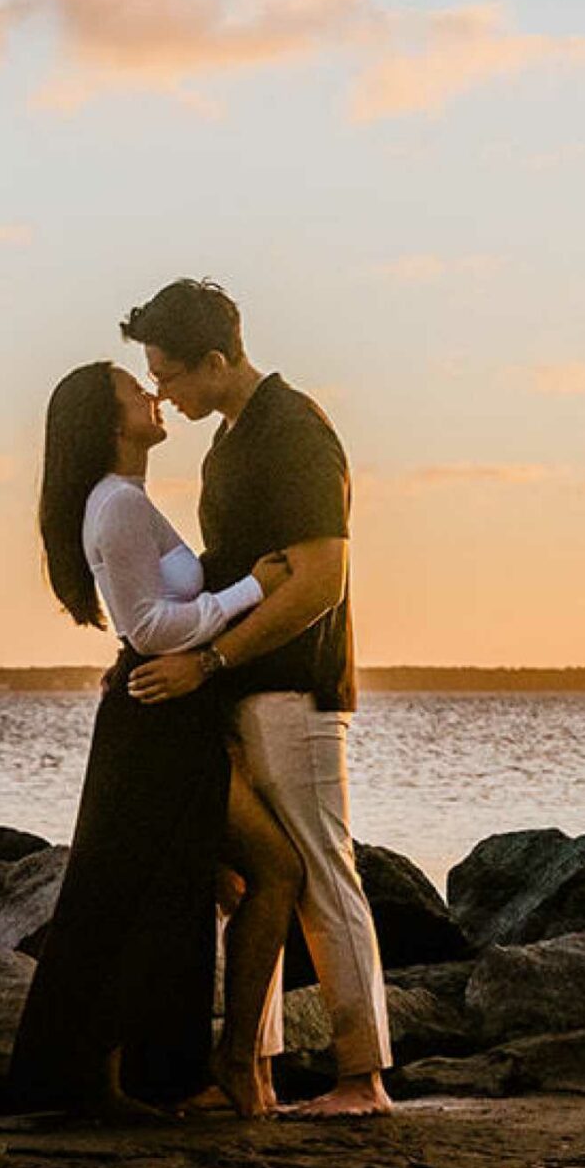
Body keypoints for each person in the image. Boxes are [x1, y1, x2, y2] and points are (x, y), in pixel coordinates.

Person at [122, 279, 394, 1118]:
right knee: (255, 876)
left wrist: (209, 664)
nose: (162, 392)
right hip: (241, 685)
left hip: (295, 688)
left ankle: (363, 1078)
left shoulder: (293, 432)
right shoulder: (230, 442)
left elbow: (319, 581)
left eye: (170, 375)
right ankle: (256, 1069)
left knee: (318, 868)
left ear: (216, 358)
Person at [8, 360, 305, 1120]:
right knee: (210, 877)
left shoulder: (129, 502)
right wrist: (254, 590)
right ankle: (195, 1068)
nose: (151, 393)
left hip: (166, 714)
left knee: (162, 890)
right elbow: (149, 626)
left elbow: (153, 614)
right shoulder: (116, 506)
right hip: (157, 716)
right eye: (133, 392)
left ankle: (162, 1073)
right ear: (110, 424)